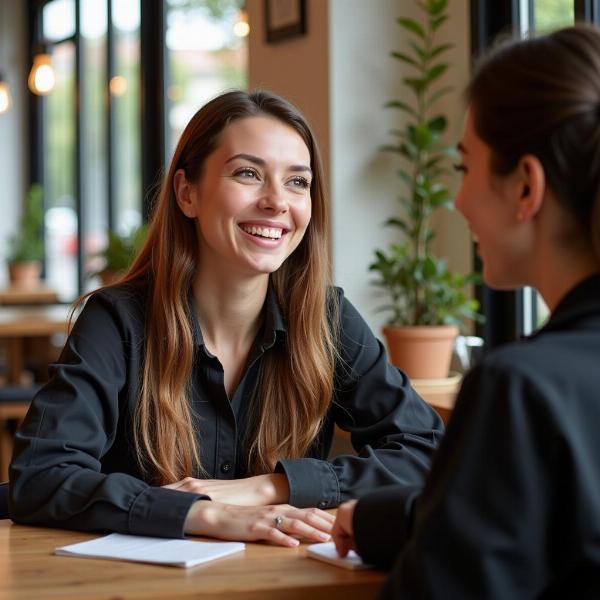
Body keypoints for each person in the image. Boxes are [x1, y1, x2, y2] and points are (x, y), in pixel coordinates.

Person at [8, 90, 443, 547]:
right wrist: (203, 515)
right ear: (187, 193)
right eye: (248, 174)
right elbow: (41, 476)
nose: (277, 202)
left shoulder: (325, 319)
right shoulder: (117, 322)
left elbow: (428, 451)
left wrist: (269, 487)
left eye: (297, 182)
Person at [331, 24, 600, 598]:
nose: (457, 198)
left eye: (465, 165)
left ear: (526, 187)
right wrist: (384, 518)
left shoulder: (522, 390)